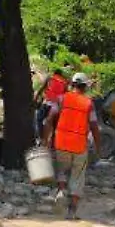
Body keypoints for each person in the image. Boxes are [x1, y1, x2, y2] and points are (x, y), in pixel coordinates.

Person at [41, 72, 97, 219]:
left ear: (71, 84)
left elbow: (48, 120)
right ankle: (72, 212)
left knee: (62, 170)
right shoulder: (88, 103)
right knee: (77, 176)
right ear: (85, 87)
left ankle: (61, 192)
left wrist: (46, 141)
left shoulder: (61, 99)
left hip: (61, 142)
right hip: (79, 145)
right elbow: (94, 126)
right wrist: (99, 145)